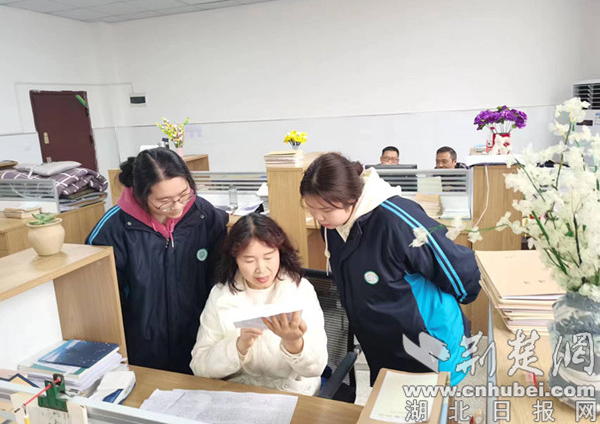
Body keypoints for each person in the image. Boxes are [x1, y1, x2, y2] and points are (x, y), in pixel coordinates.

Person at [300, 153, 480, 386]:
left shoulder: (396, 220)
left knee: (434, 401)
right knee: (393, 400)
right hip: (384, 341)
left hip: (429, 336)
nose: (318, 217)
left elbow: (457, 266)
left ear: (350, 197)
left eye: (325, 209)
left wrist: (465, 296)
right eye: (311, 208)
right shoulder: (333, 225)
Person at [86, 148, 228, 374]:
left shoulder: (204, 215)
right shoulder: (112, 232)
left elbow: (219, 279)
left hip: (198, 342)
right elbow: (104, 306)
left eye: (184, 194)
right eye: (164, 201)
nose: (178, 206)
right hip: (142, 352)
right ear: (142, 195)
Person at [190, 213, 327, 395]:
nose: (261, 270)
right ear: (234, 259)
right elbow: (199, 367)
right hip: (238, 393)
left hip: (292, 392)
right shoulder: (221, 294)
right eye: (249, 260)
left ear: (280, 252)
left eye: (269, 257)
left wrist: (294, 343)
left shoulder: (300, 289)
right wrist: (239, 346)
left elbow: (316, 368)